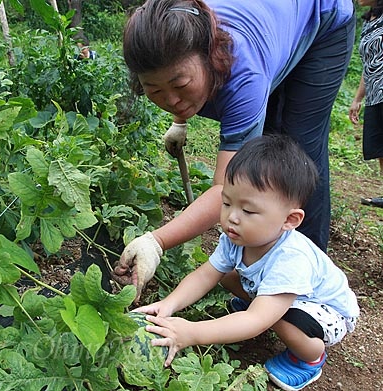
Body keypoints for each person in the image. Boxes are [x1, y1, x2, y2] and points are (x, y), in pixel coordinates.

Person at [113, 0, 356, 302]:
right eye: (156, 91)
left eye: (181, 85)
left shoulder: (244, 75)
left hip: (321, 18)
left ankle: (304, 292)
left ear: (210, 56)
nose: (172, 100)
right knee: (261, 164)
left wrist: (156, 241)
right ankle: (259, 269)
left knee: (294, 157)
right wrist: (181, 121)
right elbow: (171, 79)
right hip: (270, 30)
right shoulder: (175, 37)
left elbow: (224, 187)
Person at [133, 135, 360, 391]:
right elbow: (205, 274)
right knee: (226, 275)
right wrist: (168, 304)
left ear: (290, 220)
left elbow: (256, 321)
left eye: (248, 211)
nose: (232, 218)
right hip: (283, 293)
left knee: (276, 316)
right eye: (227, 203)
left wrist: (192, 332)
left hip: (327, 311)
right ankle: (262, 302)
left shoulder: (292, 258)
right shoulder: (236, 238)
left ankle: (309, 358)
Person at [348, 0, 383, 208]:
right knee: (378, 148)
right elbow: (368, 64)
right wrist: (357, 98)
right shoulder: (369, 22)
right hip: (374, 94)